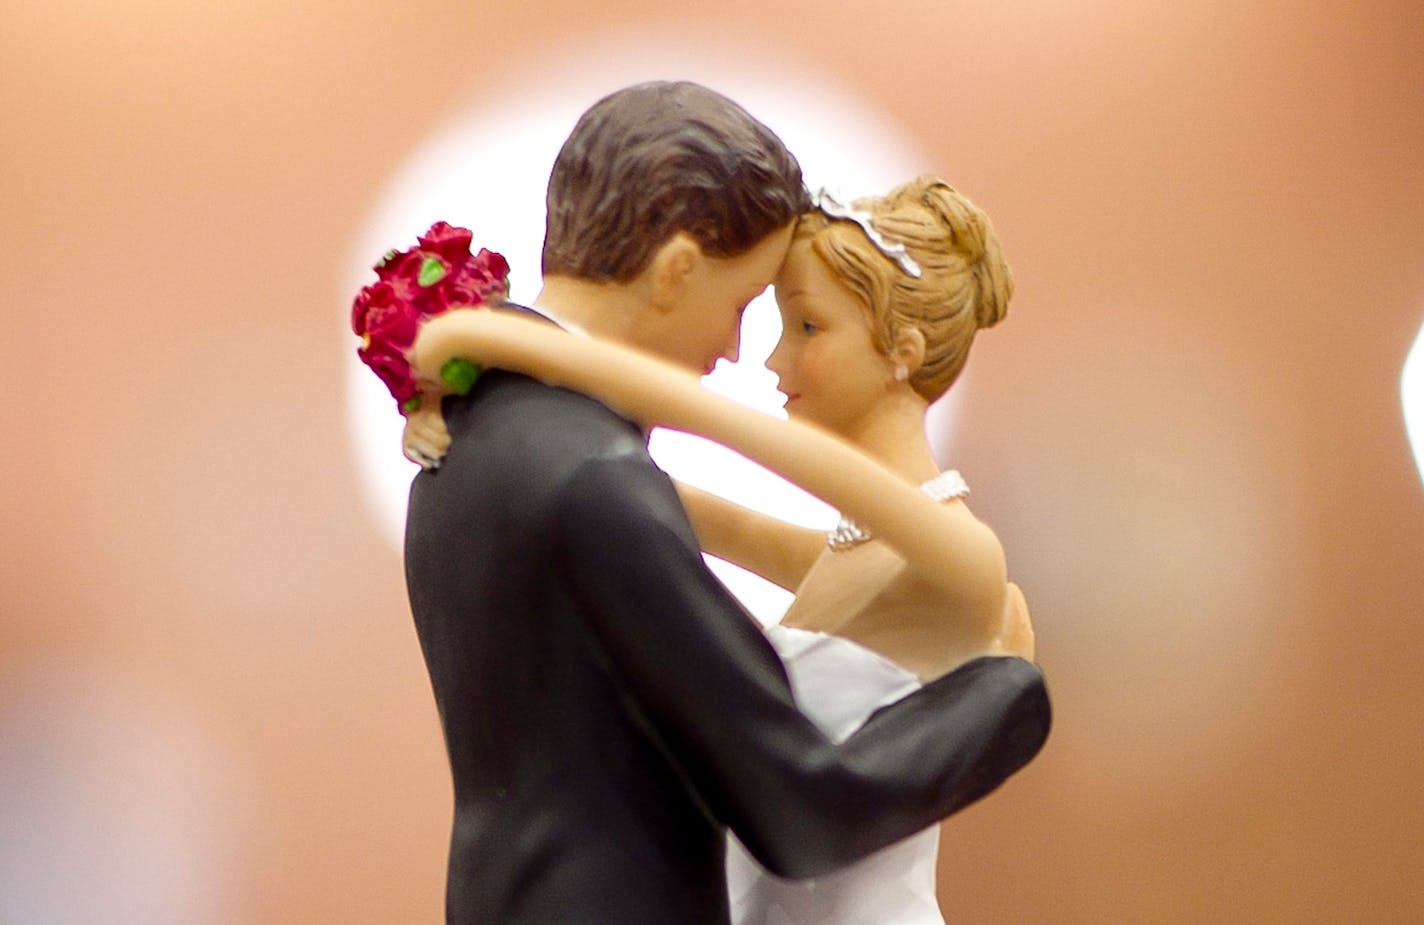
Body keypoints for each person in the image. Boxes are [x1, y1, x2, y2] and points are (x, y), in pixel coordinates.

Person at [394, 81, 1049, 925]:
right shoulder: (596, 480)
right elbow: (799, 807)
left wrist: (500, 348)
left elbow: (724, 499)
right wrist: (1007, 699)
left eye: (802, 327)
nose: (749, 352)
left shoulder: (474, 454)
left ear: (903, 352)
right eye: (748, 307)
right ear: (676, 273)